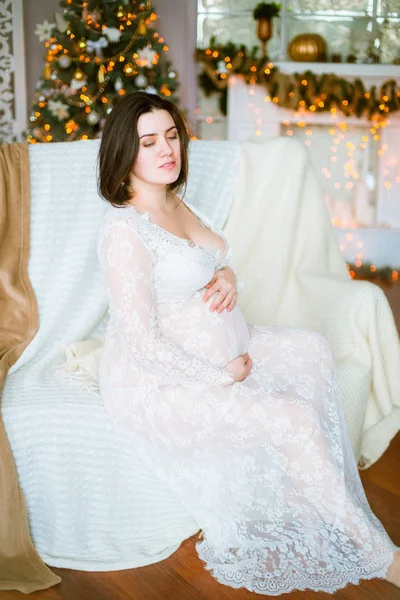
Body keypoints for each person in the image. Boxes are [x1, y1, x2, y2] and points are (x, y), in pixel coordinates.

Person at [96, 91, 400, 595]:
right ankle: (378, 553)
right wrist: (220, 377)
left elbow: (208, 258)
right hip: (160, 385)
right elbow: (142, 345)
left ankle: (310, 491)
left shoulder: (175, 200)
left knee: (312, 349)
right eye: (149, 142)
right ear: (125, 153)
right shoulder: (124, 232)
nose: (166, 150)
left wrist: (230, 276)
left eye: (171, 136)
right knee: (293, 417)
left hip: (226, 348)